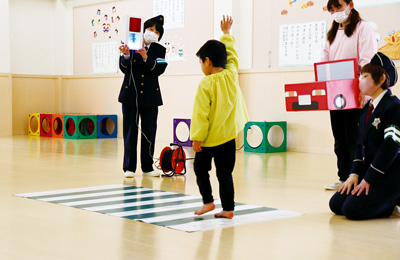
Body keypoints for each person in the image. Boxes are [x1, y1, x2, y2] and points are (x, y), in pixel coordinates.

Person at [329, 52, 400, 220]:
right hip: (370, 173)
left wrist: (368, 179)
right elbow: (360, 146)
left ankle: (392, 202)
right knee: (336, 204)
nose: (360, 80)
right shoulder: (367, 108)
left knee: (351, 210)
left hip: (389, 175)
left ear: (381, 79)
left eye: (365, 76)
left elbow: (390, 147)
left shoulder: (394, 107)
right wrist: (353, 175)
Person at [190, 16, 248, 219]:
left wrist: (197, 137)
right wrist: (226, 34)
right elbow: (231, 56)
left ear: (207, 61)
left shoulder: (206, 84)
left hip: (208, 140)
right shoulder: (232, 74)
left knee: (200, 169)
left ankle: (207, 201)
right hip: (228, 138)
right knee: (225, 174)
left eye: (201, 62)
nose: (201, 66)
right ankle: (228, 208)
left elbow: (200, 114)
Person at [323, 0, 377, 190]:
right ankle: (343, 176)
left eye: (338, 7)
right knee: (339, 136)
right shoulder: (332, 34)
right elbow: (325, 60)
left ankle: (358, 177)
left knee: (355, 136)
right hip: (335, 93)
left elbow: (367, 60)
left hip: (356, 91)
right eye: (332, 10)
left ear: (350, 4)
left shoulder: (363, 28)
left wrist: (364, 90)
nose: (336, 12)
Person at [118, 15, 167, 178]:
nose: (153, 32)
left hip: (150, 97)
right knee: (130, 132)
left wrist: (146, 57)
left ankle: (147, 167)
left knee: (149, 131)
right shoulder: (131, 44)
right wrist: (125, 55)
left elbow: (159, 70)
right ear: (143, 29)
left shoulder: (160, 50)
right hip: (130, 95)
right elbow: (125, 69)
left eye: (157, 31)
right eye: (151, 29)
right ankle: (129, 167)